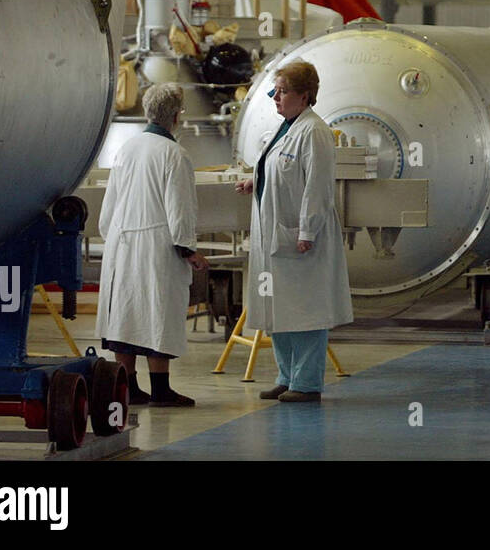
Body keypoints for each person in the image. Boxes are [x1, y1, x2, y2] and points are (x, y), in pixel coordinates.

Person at [235, 60, 353, 403]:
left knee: (305, 311)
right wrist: (255, 180)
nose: (276, 97)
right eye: (275, 91)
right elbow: (280, 169)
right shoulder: (285, 127)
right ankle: (286, 377)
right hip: (274, 236)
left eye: (283, 91)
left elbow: (317, 187)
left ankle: (307, 383)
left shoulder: (314, 131)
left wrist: (307, 231)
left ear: (304, 96)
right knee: (279, 311)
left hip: (300, 239)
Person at [96, 82, 208, 407]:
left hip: (121, 242)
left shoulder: (127, 148)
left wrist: (111, 236)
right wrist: (188, 248)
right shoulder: (175, 154)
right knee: (158, 313)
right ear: (175, 116)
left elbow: (110, 204)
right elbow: (179, 208)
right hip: (157, 247)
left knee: (125, 314)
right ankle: (161, 390)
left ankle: (128, 387)